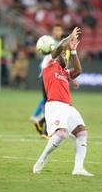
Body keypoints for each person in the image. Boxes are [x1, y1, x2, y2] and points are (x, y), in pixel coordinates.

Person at [33, 27, 94, 177]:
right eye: (64, 56)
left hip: (68, 107)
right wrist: (69, 37)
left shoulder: (64, 72)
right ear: (57, 55)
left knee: (82, 132)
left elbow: (78, 71)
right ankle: (42, 159)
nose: (66, 58)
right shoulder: (48, 63)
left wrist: (73, 52)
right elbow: (59, 47)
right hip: (54, 105)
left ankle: (78, 168)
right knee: (61, 134)